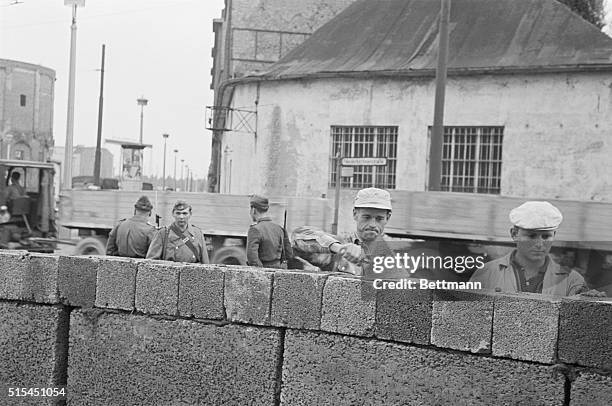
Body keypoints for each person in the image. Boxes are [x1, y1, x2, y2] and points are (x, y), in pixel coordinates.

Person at [469, 201, 604, 296]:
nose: (539, 244)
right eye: (532, 236)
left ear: (554, 236)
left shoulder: (572, 280)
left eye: (546, 236)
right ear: (514, 234)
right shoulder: (486, 273)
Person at [291, 187, 394, 275]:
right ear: (355, 214)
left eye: (379, 219)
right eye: (366, 217)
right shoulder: (340, 245)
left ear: (388, 218)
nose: (372, 224)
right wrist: (340, 248)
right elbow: (298, 236)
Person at [246, 194, 293, 268]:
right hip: (278, 272)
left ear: (253, 210)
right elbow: (289, 254)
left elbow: (252, 259)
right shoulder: (279, 229)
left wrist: (263, 272)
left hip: (263, 273)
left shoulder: (255, 230)